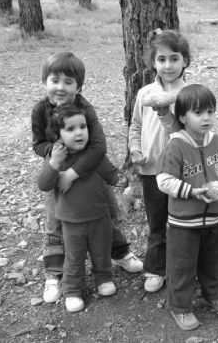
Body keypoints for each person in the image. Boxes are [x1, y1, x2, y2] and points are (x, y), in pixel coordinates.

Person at [31, 52, 142, 304]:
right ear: (44, 82)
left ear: (78, 86)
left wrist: (74, 172)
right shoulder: (40, 110)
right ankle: (55, 273)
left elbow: (98, 147)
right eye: (54, 80)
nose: (61, 87)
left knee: (107, 214)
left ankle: (118, 253)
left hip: (90, 170)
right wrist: (57, 155)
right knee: (56, 224)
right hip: (58, 175)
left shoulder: (85, 108)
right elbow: (38, 144)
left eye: (68, 82)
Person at [157, 84, 218, 331]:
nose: (206, 118)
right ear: (182, 116)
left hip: (215, 219)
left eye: (210, 111)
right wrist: (191, 191)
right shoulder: (176, 145)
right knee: (182, 266)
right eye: (198, 112)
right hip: (184, 223)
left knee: (214, 261)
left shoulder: (217, 141)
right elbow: (163, 180)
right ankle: (180, 307)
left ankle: (214, 294)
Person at [37, 104, 119, 312]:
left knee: (101, 251)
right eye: (70, 129)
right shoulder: (59, 159)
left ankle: (103, 278)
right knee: (74, 257)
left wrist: (122, 179)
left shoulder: (93, 156)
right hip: (71, 222)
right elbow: (44, 184)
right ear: (58, 135)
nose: (79, 132)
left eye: (82, 126)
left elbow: (110, 173)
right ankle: (72, 290)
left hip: (99, 216)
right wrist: (54, 163)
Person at [128, 29, 189, 293]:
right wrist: (135, 149)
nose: (168, 65)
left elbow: (198, 131)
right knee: (156, 221)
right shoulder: (144, 93)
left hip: (183, 171)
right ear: (153, 62)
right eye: (161, 59)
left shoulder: (191, 93)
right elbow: (135, 126)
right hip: (151, 169)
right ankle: (155, 268)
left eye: (174, 58)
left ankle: (182, 267)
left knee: (181, 222)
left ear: (185, 60)